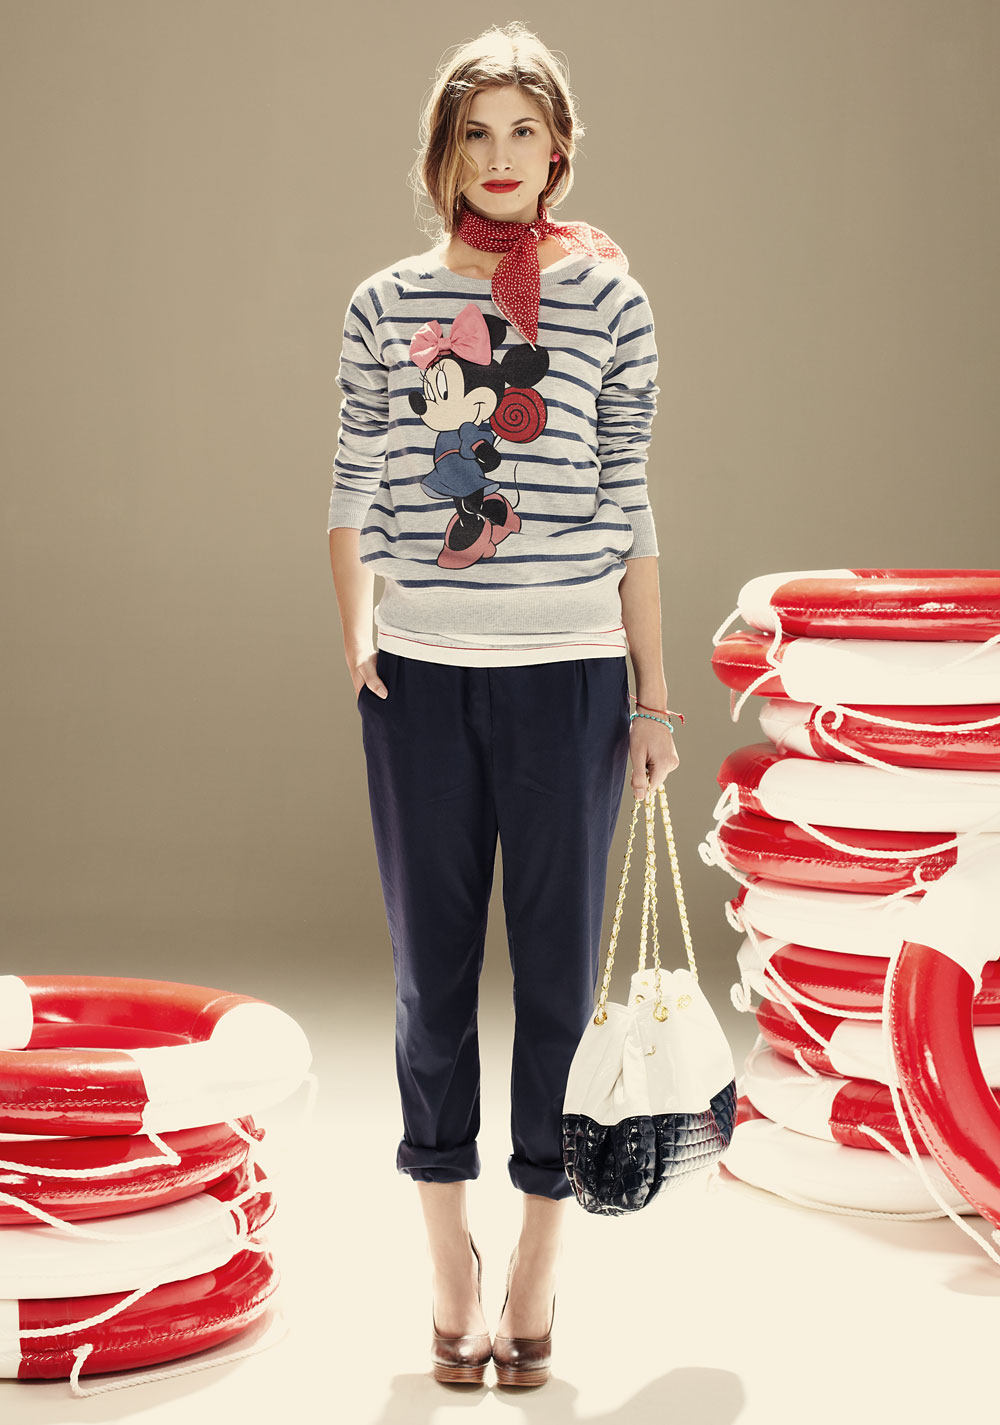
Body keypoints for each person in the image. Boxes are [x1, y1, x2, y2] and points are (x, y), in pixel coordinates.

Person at [327, 21, 679, 1387]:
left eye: (524, 130)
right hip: (420, 683)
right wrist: (355, 634)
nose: (500, 156)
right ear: (443, 151)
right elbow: (351, 482)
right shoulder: (384, 302)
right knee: (429, 984)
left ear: (560, 147)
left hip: (572, 685)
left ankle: (536, 1258)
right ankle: (446, 1261)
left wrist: (653, 699)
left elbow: (630, 499)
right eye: (475, 132)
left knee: (557, 988)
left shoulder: (610, 302)